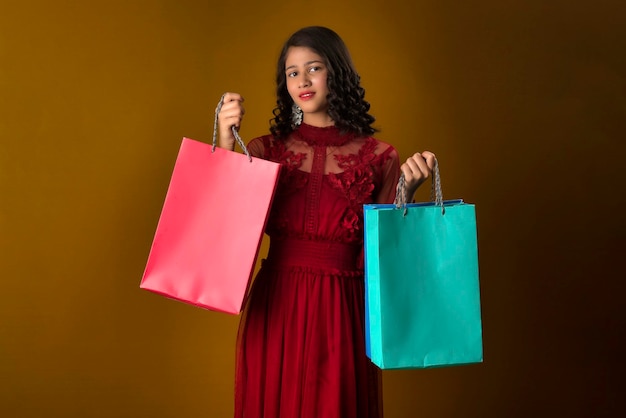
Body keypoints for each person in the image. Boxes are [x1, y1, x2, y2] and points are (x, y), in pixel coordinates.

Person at [217, 26, 436, 418]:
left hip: (343, 309)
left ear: (336, 72)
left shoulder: (379, 156)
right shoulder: (264, 149)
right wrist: (224, 140)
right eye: (292, 72)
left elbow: (385, 254)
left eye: (313, 68)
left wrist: (407, 191)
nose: (302, 80)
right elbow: (225, 225)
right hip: (277, 302)